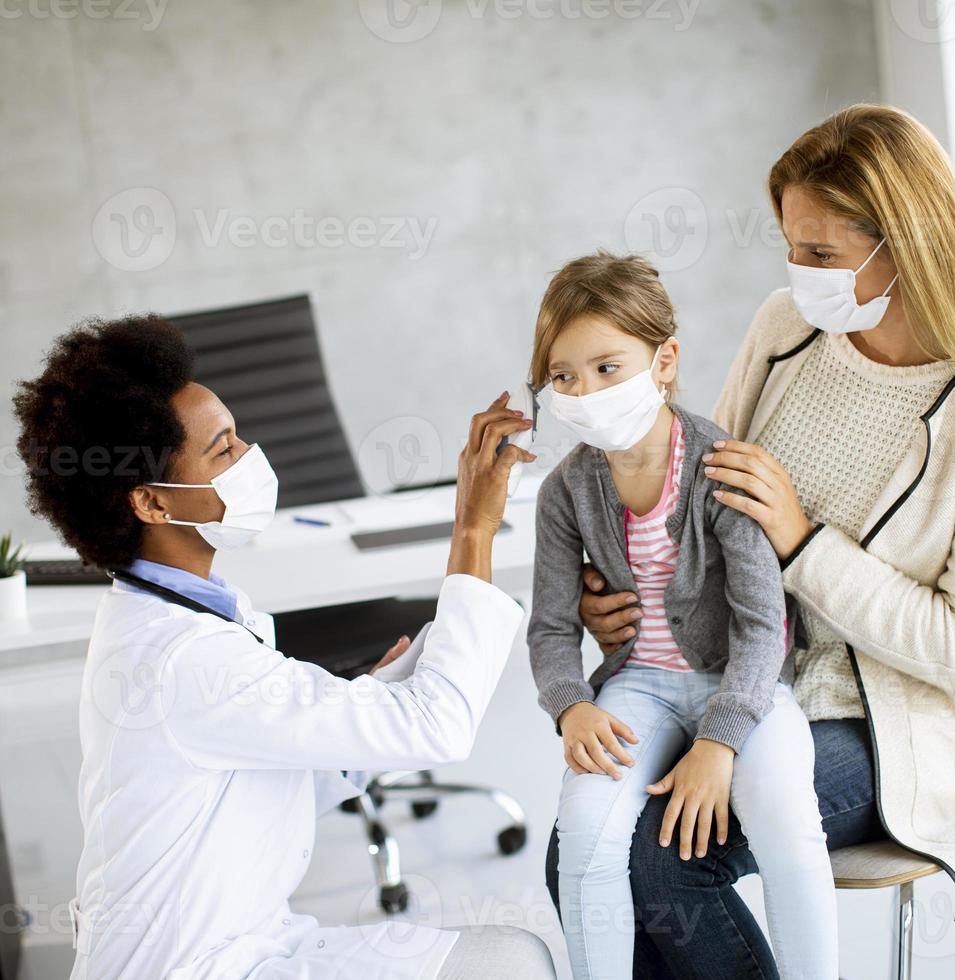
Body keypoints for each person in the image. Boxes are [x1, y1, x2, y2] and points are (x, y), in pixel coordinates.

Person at [546, 103, 955, 977]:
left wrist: (804, 542)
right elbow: (701, 505)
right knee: (576, 853)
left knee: (667, 860)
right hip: (743, 666)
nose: (799, 275)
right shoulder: (789, 330)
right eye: (792, 246)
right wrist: (626, 591)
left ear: (907, 243)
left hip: (891, 720)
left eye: (821, 255)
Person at [11, 316, 556, 980]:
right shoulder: (186, 658)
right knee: (514, 963)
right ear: (153, 502)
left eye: (238, 435)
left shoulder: (175, 611)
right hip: (198, 967)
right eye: (222, 450)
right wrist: (474, 526)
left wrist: (364, 710)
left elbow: (257, 783)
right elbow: (438, 728)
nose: (250, 457)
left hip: (243, 943)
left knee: (514, 957)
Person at [525, 253, 836, 979]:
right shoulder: (566, 491)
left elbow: (765, 629)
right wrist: (571, 707)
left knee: (786, 817)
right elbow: (548, 629)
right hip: (640, 686)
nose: (584, 391)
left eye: (607, 368)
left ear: (664, 360)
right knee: (586, 836)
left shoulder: (722, 466)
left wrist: (719, 743)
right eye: (563, 376)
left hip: (743, 685)